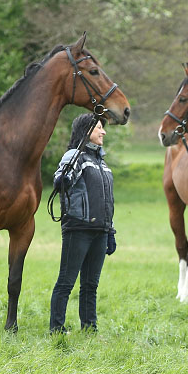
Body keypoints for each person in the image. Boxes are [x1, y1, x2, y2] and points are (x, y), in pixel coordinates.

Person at [49, 114, 116, 334]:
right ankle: (56, 329)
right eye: (98, 127)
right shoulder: (74, 156)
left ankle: (89, 329)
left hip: (100, 231)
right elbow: (60, 180)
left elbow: (107, 200)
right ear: (86, 131)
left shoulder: (102, 163)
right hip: (78, 229)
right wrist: (63, 179)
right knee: (66, 283)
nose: (103, 131)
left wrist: (110, 231)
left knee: (90, 286)